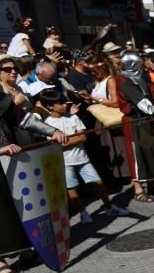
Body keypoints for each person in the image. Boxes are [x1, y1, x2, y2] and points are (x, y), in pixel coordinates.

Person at [0, 56, 67, 273]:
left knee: (18, 205)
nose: (13, 72)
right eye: (8, 69)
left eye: (16, 69)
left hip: (10, 159)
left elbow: (23, 120)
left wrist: (50, 131)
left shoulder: (0, 95)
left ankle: (25, 250)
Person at [37, 89, 128, 224]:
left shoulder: (73, 117)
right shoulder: (47, 124)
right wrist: (72, 140)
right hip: (65, 161)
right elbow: (56, 145)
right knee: (72, 188)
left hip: (82, 158)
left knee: (99, 182)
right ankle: (82, 213)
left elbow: (83, 137)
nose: (64, 105)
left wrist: (65, 141)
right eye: (60, 103)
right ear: (50, 106)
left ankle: (109, 207)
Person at [116, 52, 154, 202]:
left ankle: (151, 184)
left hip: (145, 120)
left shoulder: (142, 76)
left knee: (148, 150)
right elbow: (139, 100)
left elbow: (150, 93)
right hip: (133, 121)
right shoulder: (123, 80)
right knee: (136, 155)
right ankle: (138, 189)